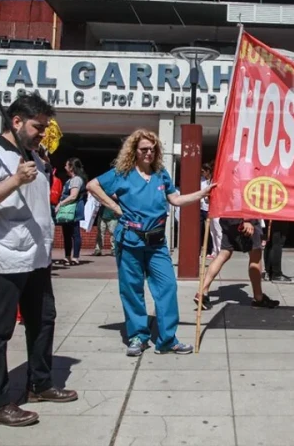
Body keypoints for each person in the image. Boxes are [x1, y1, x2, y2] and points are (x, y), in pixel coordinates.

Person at [0, 93, 77, 427]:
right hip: (3, 257)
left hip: (35, 258)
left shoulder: (30, 154)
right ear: (16, 121)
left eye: (44, 127)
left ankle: (40, 383)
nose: (42, 133)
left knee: (44, 320)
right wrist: (14, 180)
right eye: (37, 126)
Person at [86, 128, 213, 357]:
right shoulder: (121, 174)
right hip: (129, 241)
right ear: (134, 150)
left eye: (153, 150)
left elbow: (175, 199)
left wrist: (201, 194)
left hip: (157, 244)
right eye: (144, 149)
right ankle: (138, 336)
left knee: (167, 287)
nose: (149, 153)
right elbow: (92, 185)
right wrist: (114, 207)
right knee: (132, 289)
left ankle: (167, 340)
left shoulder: (160, 174)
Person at [194, 218, 280, 310]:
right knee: (255, 256)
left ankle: (202, 292)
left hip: (228, 219)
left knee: (224, 253)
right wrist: (248, 220)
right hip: (245, 219)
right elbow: (244, 203)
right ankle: (258, 297)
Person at [55, 158, 87, 265]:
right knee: (67, 234)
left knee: (75, 233)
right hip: (67, 211)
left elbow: (73, 196)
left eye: (66, 165)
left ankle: (75, 257)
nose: (64, 167)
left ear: (71, 167)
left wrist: (60, 204)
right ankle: (67, 256)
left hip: (73, 210)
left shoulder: (76, 179)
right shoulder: (69, 180)